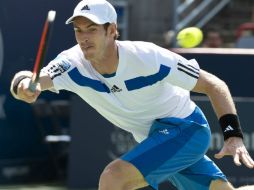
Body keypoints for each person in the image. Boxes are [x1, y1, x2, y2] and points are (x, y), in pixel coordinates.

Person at [10, 0, 254, 189]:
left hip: (186, 129)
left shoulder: (148, 57)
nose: (83, 38)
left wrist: (233, 136)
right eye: (78, 30)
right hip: (153, 139)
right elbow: (32, 80)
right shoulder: (71, 63)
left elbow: (214, 84)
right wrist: (23, 86)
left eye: (92, 29)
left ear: (112, 30)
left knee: (113, 178)